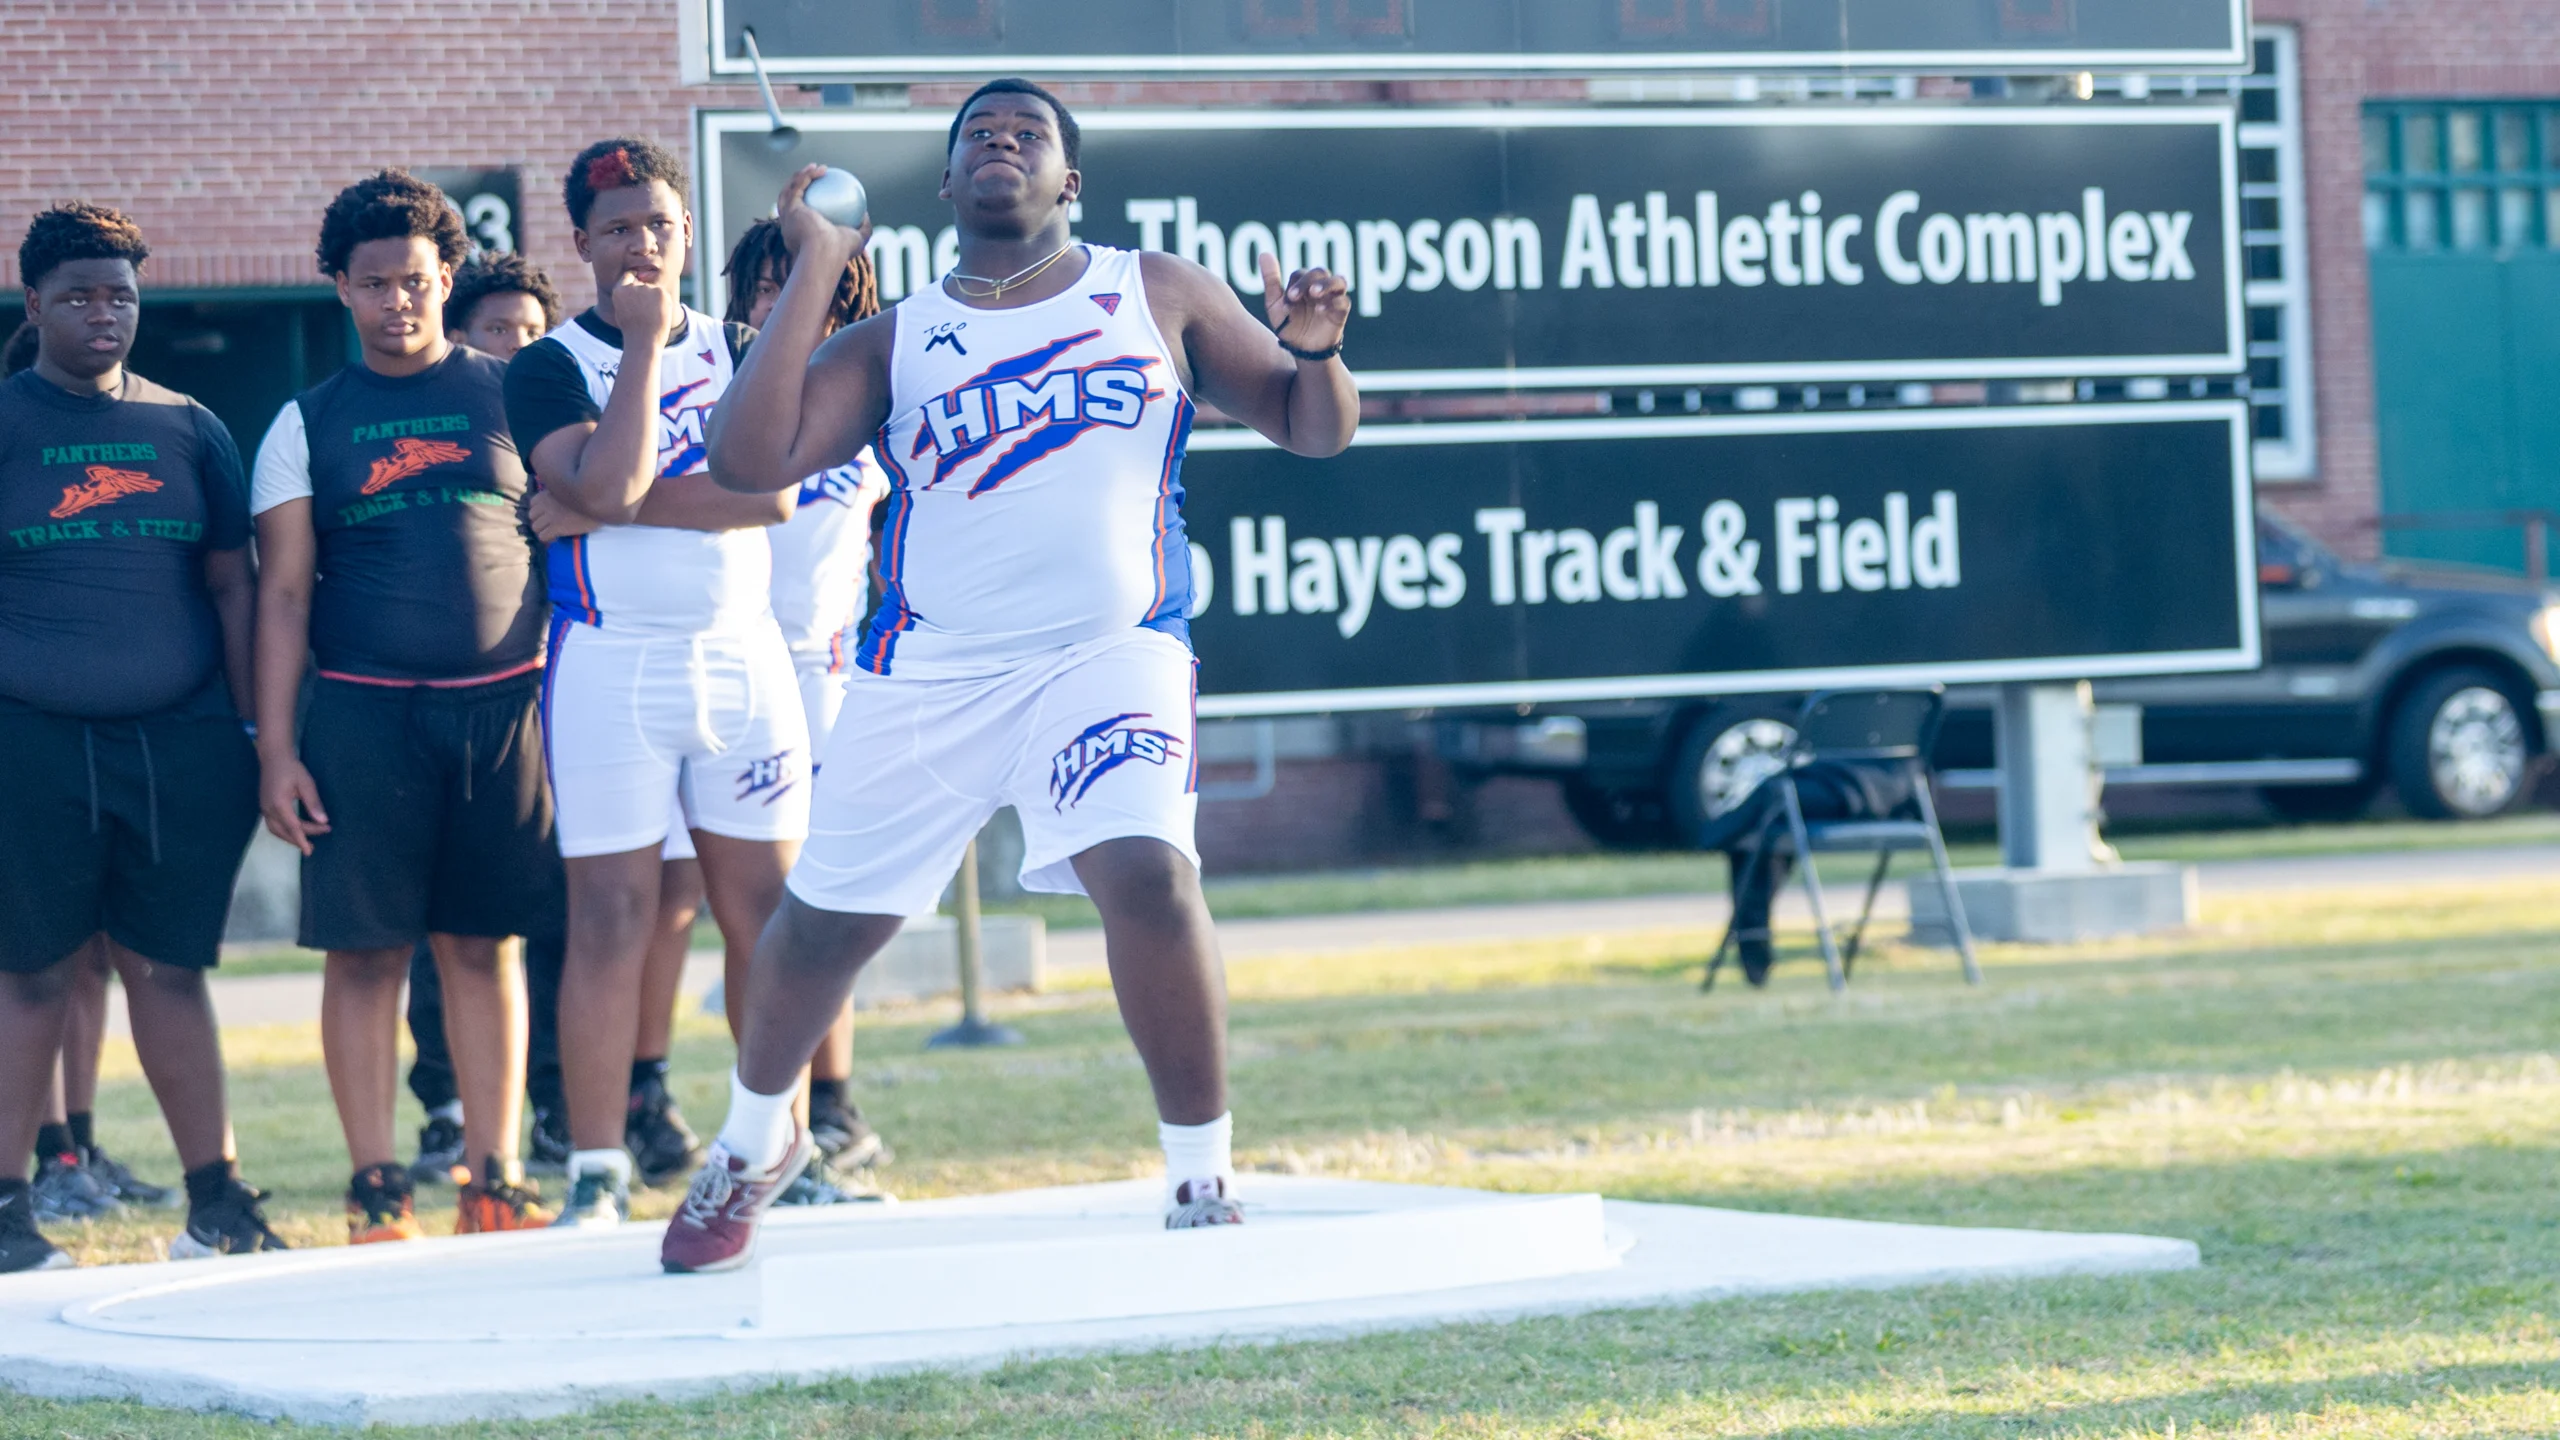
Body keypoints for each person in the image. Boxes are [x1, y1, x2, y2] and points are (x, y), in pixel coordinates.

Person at [667, 78, 1356, 1272]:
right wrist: (818, 266)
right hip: (930, 668)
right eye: (975, 135)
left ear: (1067, 180)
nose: (999, 144)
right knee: (816, 931)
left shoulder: (1153, 288)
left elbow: (1314, 428)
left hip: (1112, 652)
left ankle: (1200, 1176)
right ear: (945, 185)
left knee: (1145, 872)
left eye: (1026, 134)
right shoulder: (893, 336)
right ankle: (749, 1142)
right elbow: (744, 459)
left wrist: (1318, 351)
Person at [503, 137, 806, 1228]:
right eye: (620, 227)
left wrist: (597, 501)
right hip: (610, 661)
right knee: (612, 918)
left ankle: (779, 1150)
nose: (643, 243)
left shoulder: (736, 345)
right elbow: (614, 472)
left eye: (661, 225)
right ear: (582, 243)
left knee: (764, 919)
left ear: (687, 233)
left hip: (741, 654)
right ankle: (597, 1167)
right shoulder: (549, 364)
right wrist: (637, 356)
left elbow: (769, 496)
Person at [252, 171, 559, 1242]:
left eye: (416, 280)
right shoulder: (305, 422)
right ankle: (376, 1184)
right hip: (362, 718)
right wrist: (275, 751)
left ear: (448, 277)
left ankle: (496, 1177)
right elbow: (283, 597)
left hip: (504, 711)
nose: (398, 301)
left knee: (484, 948)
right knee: (367, 958)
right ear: (340, 287)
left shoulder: (516, 388)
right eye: (374, 282)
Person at [0, 202, 286, 1273]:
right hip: (27, 740)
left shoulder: (188, 427)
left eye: (119, 295)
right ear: (35, 304)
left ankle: (216, 1202)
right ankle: (8, 1212)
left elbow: (231, 584)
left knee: (169, 970)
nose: (102, 314)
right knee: (31, 974)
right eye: (78, 295)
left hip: (178, 742)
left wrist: (261, 730)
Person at [721, 217, 892, 1195]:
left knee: (825, 895)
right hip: (726, 666)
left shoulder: (870, 400)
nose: (790, 302)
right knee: (700, 901)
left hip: (824, 674)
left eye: (814, 285)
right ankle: (645, 1099)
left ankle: (831, 1106)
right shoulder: (719, 389)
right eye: (770, 284)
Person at [1714, 761, 1918, 986]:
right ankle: (1754, 948)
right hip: (1898, 792)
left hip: (1840, 789)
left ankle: (1753, 950)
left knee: (1762, 810)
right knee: (1762, 823)